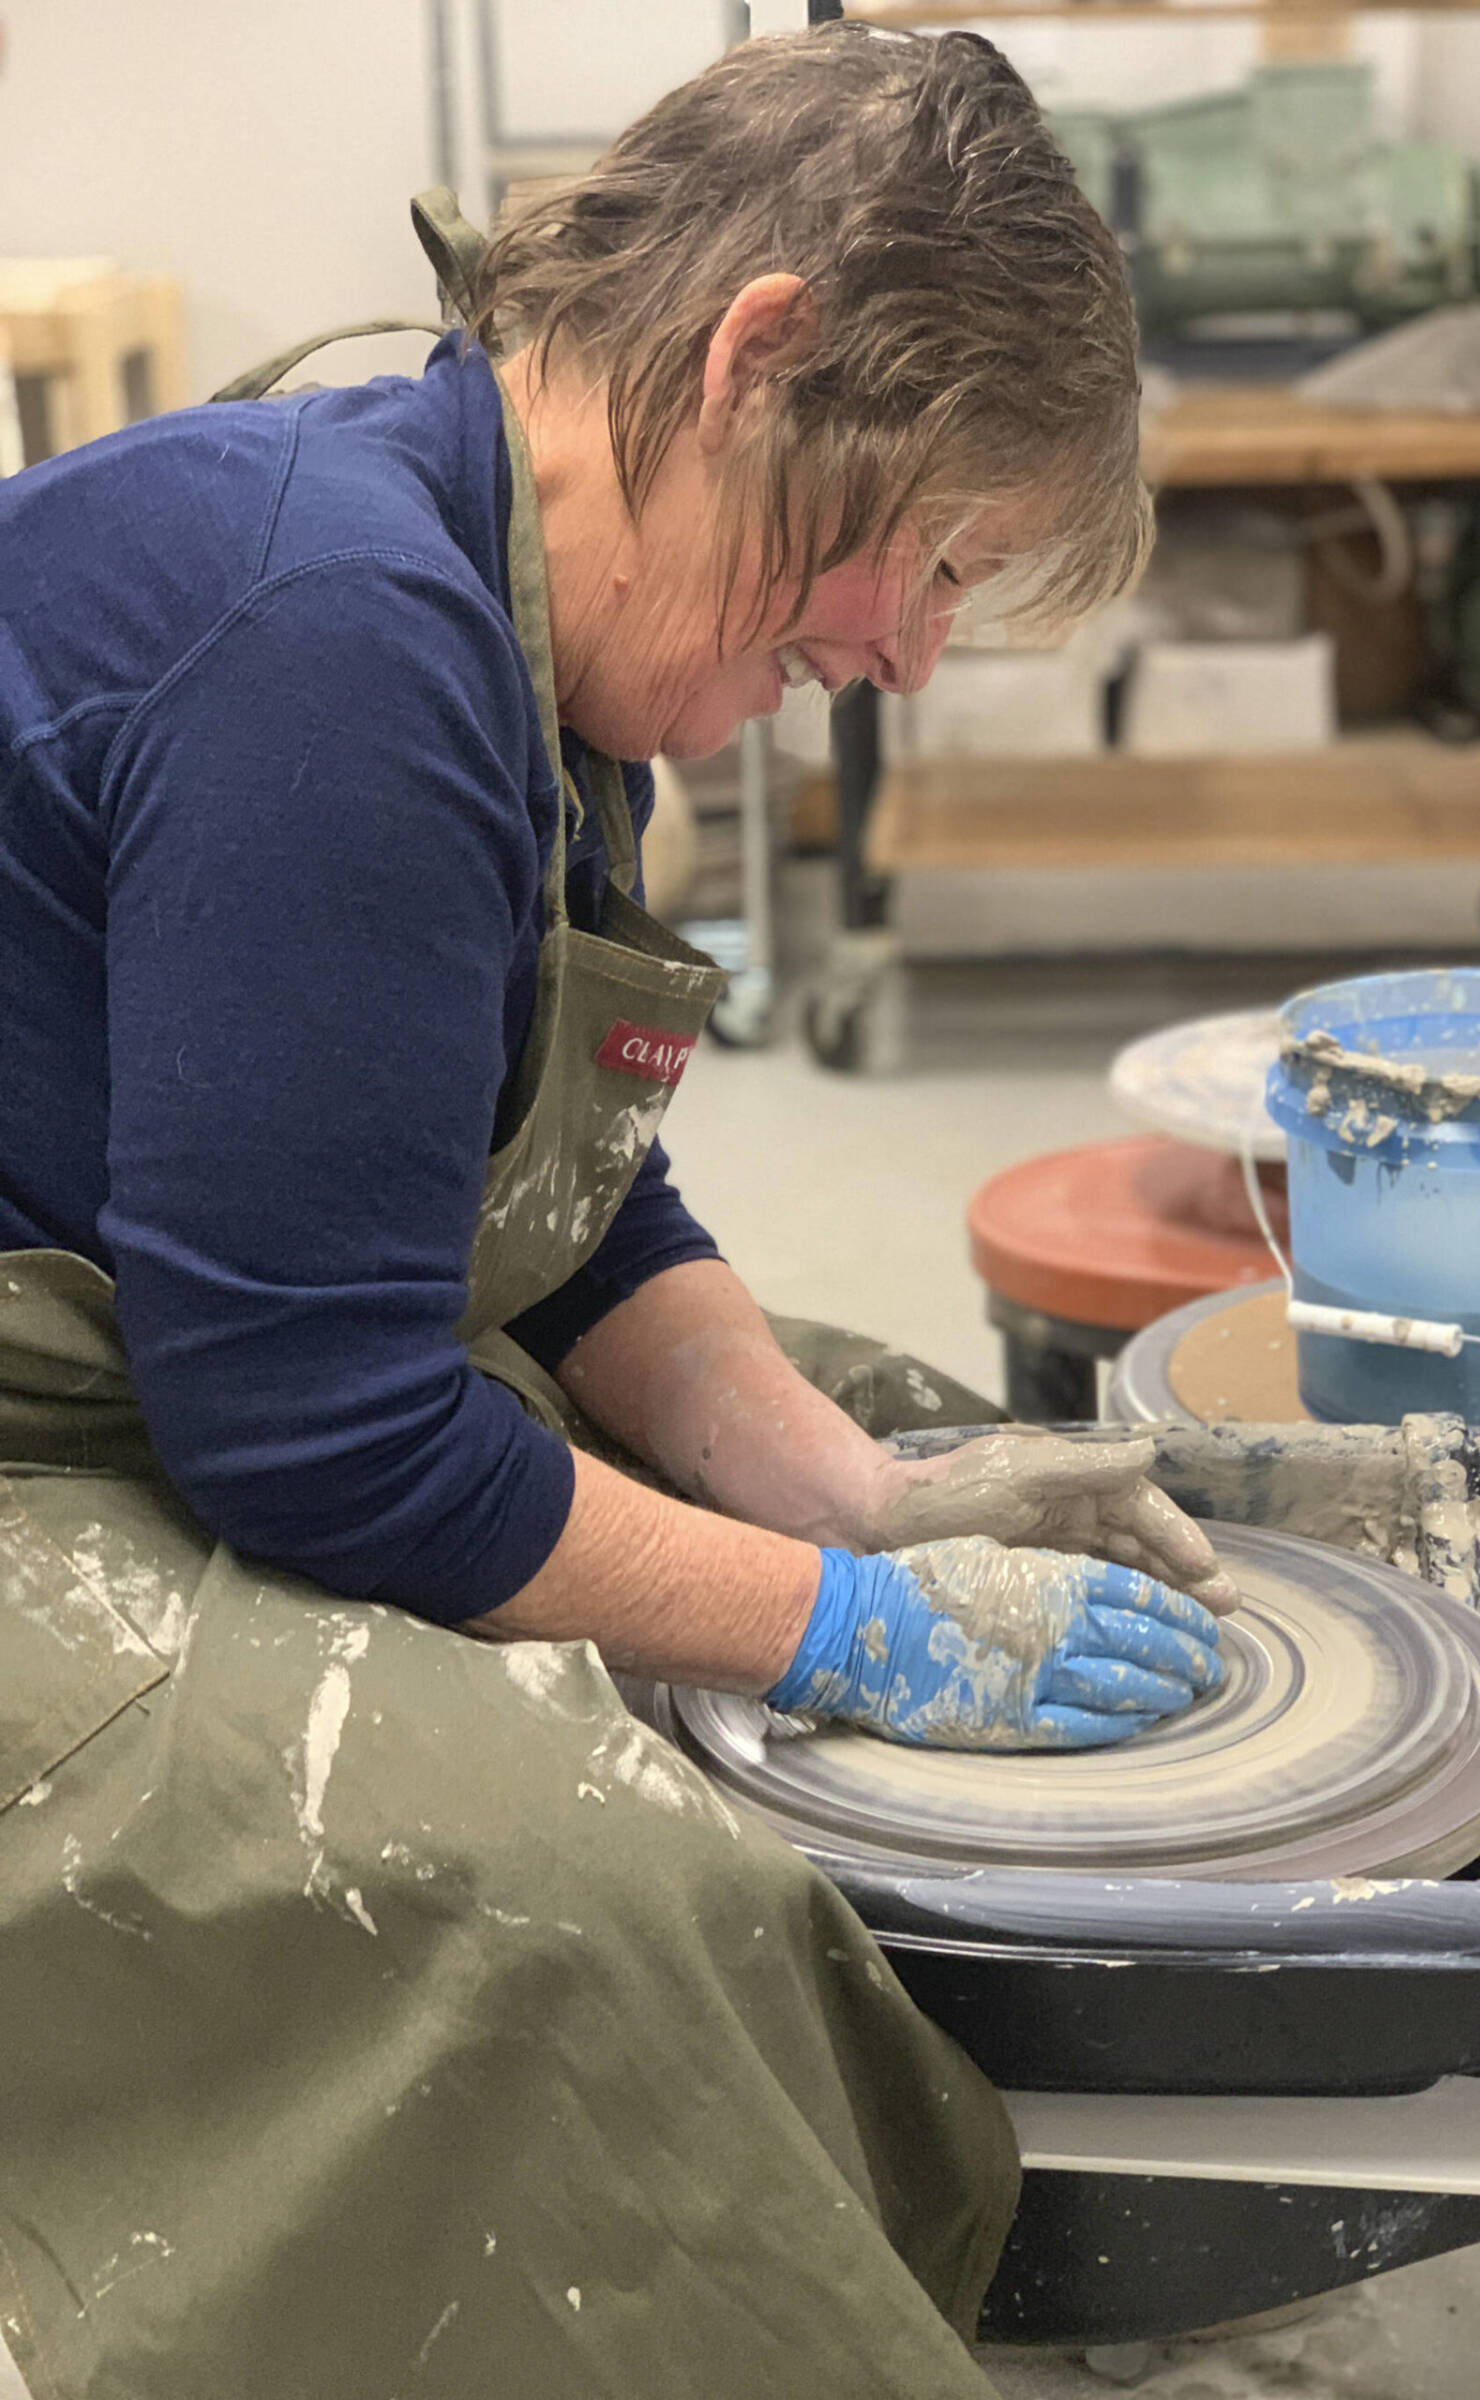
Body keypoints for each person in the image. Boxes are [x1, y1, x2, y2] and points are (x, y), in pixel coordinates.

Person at [0, 25, 1233, 2398]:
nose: (898, 660)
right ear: (756, 356)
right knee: (583, 1907)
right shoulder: (342, 644)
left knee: (882, 1416)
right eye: (936, 561)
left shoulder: (533, 624)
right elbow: (322, 1442)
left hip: (170, 1332)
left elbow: (557, 1204)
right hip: (53, 1429)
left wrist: (863, 1496)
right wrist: (854, 1631)